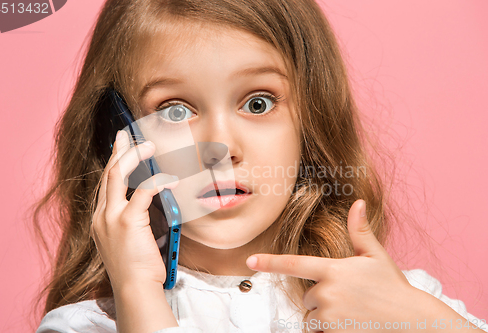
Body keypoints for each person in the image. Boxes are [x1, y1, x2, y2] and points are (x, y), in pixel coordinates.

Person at [32, 0, 487, 332]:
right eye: (175, 110)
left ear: (311, 121)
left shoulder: (403, 304)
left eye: (257, 102)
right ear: (119, 133)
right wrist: (137, 301)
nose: (222, 147)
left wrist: (424, 326)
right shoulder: (85, 327)